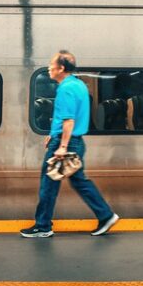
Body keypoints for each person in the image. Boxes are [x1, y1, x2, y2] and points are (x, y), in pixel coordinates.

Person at [21, 50, 119, 238]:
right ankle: (105, 215)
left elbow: (69, 120)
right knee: (79, 181)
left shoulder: (65, 88)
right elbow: (67, 118)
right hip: (75, 141)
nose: (49, 67)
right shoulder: (79, 85)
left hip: (67, 143)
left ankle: (43, 226)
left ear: (61, 68)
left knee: (48, 184)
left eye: (52, 65)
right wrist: (52, 133)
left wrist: (62, 146)